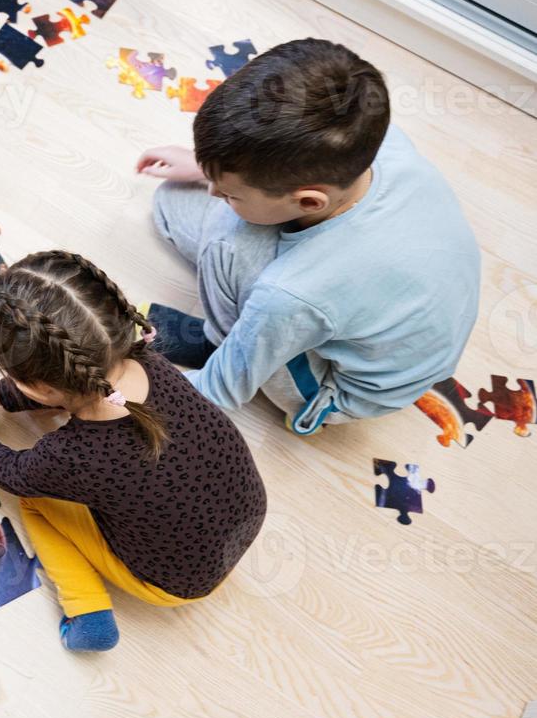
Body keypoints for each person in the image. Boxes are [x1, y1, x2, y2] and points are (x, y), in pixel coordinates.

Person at [136, 38, 480, 434]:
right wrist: (210, 169)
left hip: (336, 387)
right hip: (402, 309)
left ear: (310, 201)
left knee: (225, 241)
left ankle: (220, 342)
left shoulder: (290, 296)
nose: (214, 192)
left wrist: (105, 406)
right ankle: (246, 331)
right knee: (172, 199)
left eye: (229, 192)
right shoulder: (371, 137)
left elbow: (216, 393)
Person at [0, 251, 266, 652]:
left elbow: (15, 472)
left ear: (38, 386)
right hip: (247, 515)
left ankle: (88, 613)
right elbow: (78, 387)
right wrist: (0, 394)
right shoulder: (148, 360)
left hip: (176, 582)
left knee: (35, 500)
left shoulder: (73, 456)